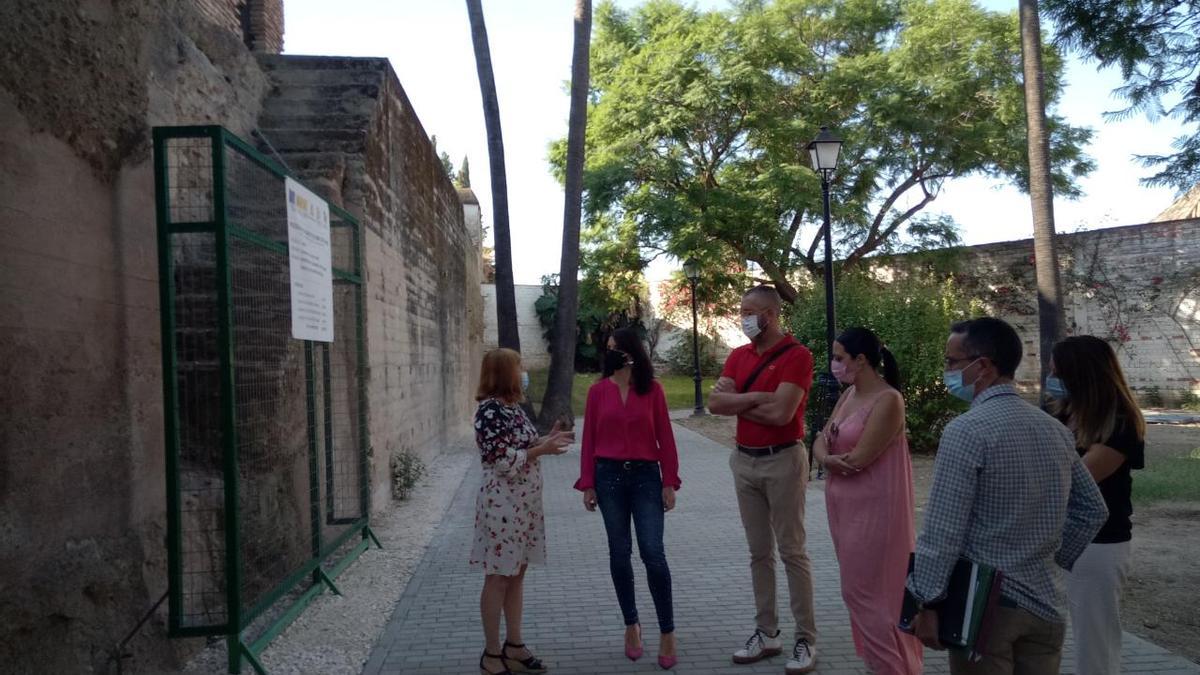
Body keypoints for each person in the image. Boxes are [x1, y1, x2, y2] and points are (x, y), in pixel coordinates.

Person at [908, 317, 1108, 675]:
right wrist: (1047, 557)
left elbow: (942, 530)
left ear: (981, 366)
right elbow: (1092, 509)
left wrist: (927, 600)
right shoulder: (1055, 431)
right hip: (1045, 605)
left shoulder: (965, 431)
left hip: (986, 610)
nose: (946, 371)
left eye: (951, 362)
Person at [708, 285, 818, 675]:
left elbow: (782, 415)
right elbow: (714, 404)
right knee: (759, 553)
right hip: (744, 461)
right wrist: (758, 398)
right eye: (741, 311)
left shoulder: (797, 355)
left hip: (783, 460)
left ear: (770, 315)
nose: (743, 318)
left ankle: (806, 638)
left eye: (749, 311)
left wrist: (740, 400)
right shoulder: (739, 356)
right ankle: (766, 632)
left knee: (792, 551)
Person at [812, 327, 923, 675]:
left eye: (839, 357)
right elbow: (819, 440)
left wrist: (828, 459)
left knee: (867, 593)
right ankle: (879, 664)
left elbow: (860, 458)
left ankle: (894, 665)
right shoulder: (848, 396)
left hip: (875, 511)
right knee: (858, 591)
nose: (834, 364)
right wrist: (827, 458)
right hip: (843, 507)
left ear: (861, 360)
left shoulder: (888, 400)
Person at [576, 327, 681, 670]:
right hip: (608, 477)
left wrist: (670, 481)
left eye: (615, 349)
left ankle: (667, 631)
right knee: (619, 553)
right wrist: (588, 482)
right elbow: (589, 439)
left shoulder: (652, 390)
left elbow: (665, 436)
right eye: (608, 349)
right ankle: (631, 625)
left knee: (653, 553)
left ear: (632, 352)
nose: (610, 354)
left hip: (646, 477)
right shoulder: (597, 392)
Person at [471, 348, 574, 675]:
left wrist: (548, 439)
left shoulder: (512, 408)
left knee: (517, 572)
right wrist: (541, 449)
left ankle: (514, 644)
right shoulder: (488, 412)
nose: (523, 372)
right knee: (499, 575)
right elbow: (500, 460)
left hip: (524, 505)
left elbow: (521, 446)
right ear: (503, 373)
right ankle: (491, 653)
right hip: (502, 504)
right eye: (519, 367)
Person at [1047, 335, 1146, 675]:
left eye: (1057, 373)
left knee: (1095, 639)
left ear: (1081, 374)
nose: (1051, 380)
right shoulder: (1058, 413)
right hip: (1055, 537)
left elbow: (1077, 479)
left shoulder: (1119, 423)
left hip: (1099, 543)